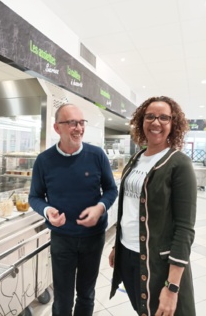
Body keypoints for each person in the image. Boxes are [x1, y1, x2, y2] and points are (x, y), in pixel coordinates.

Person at [109, 96, 197, 316]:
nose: (156, 122)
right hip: (128, 255)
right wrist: (116, 246)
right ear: (141, 121)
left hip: (159, 264)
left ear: (173, 124)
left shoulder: (179, 163)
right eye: (150, 116)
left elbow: (185, 228)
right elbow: (128, 209)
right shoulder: (136, 158)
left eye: (164, 118)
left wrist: (172, 287)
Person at [29, 103, 118, 316]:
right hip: (62, 239)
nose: (78, 128)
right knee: (62, 297)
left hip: (93, 237)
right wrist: (47, 210)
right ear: (57, 128)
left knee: (86, 294)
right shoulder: (44, 161)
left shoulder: (96, 155)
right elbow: (35, 197)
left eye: (81, 122)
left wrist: (100, 208)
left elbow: (111, 190)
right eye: (72, 123)